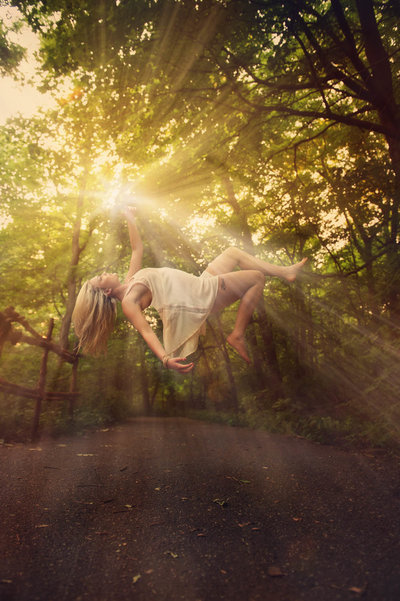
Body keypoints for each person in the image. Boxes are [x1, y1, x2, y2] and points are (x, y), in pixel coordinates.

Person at [72, 207, 307, 373]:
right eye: (100, 278)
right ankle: (237, 334)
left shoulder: (131, 279)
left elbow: (137, 248)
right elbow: (146, 331)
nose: (104, 273)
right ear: (105, 292)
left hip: (199, 283)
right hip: (200, 297)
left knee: (233, 253)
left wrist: (130, 217)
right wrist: (165, 359)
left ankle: (284, 271)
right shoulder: (129, 301)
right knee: (256, 278)